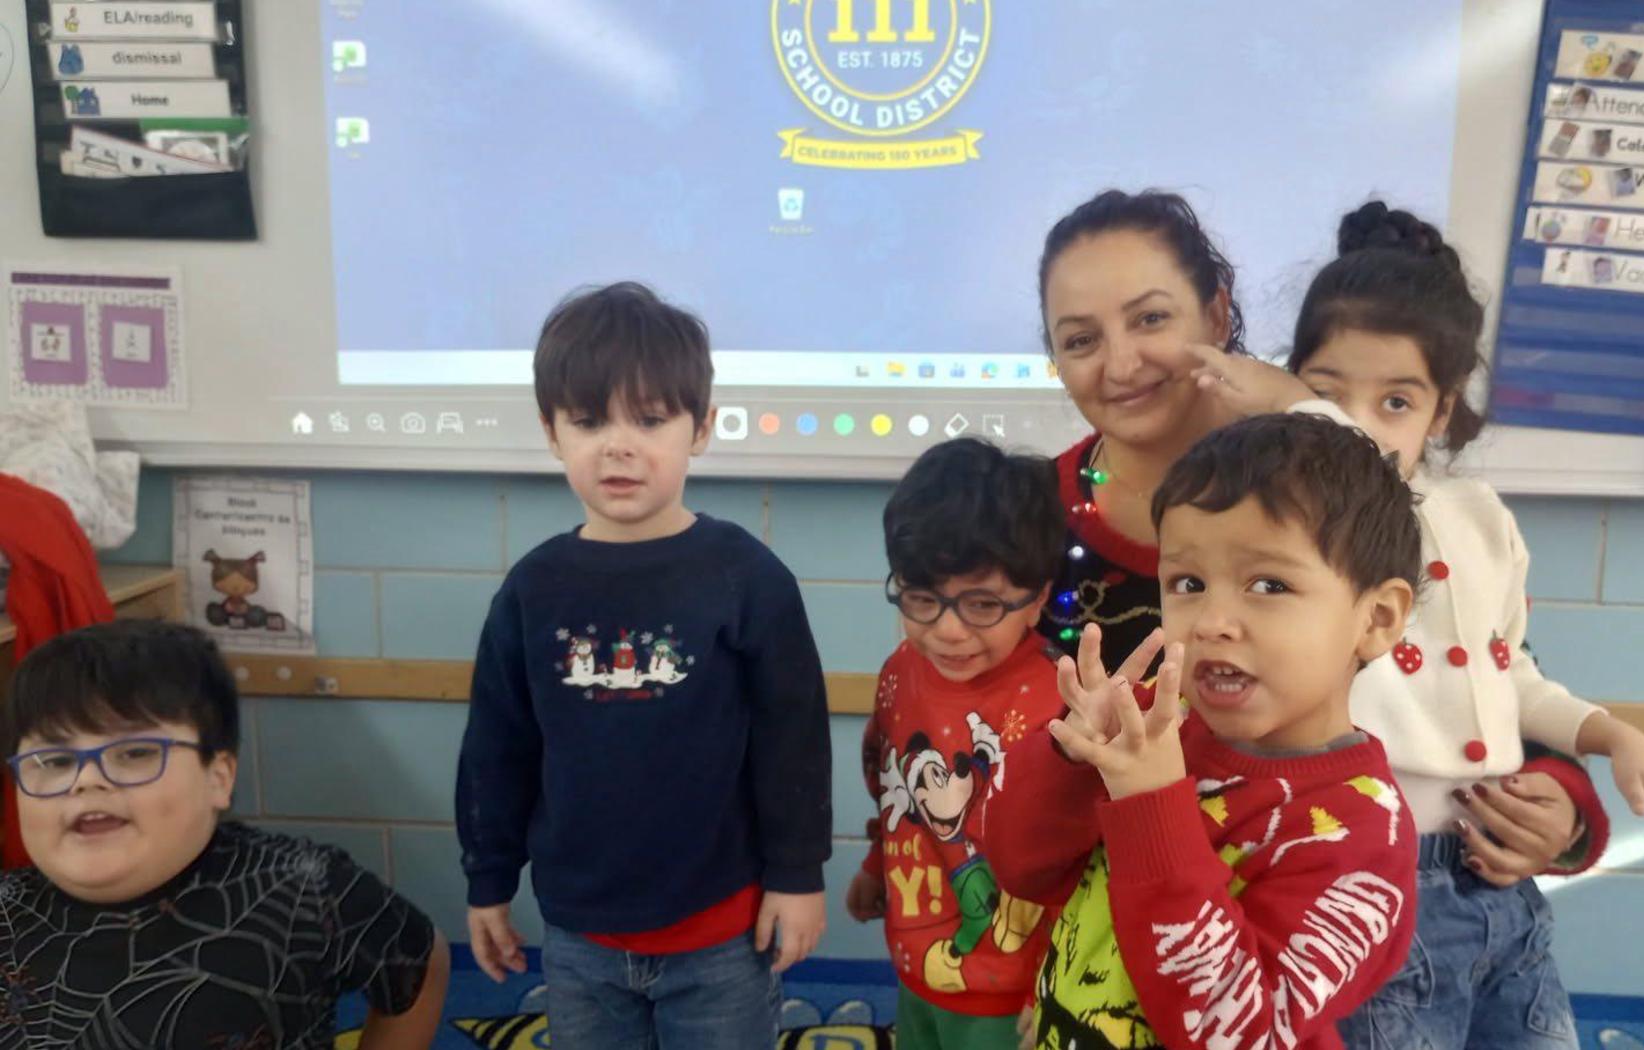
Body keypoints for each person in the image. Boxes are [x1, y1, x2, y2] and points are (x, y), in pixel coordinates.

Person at [1034, 187, 1608, 888]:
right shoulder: (1021, 519)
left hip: (1310, 910)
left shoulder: (1345, 496)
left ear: (1216, 315)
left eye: (1152, 318)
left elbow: (1487, 663)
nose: (1122, 364)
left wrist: (1560, 803)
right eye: (1080, 339)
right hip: (1076, 924)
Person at [1286, 201, 1644, 1048]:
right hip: (1371, 881)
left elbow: (1508, 674)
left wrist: (1609, 734)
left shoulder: (1479, 517)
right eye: (1329, 399)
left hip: (1498, 887)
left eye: (1395, 402)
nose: (1360, 428)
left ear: (1439, 414)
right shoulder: (1286, 531)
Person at [456, 281, 831, 1048]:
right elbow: (498, 749)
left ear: (700, 429)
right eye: (588, 420)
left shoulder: (746, 576)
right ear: (552, 432)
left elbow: (793, 737)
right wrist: (488, 881)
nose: (618, 444)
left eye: (650, 419)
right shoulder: (532, 589)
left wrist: (799, 874)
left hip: (723, 936)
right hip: (580, 939)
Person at [988, 413, 1422, 1049]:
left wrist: (1149, 806)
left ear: (1377, 619)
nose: (1213, 620)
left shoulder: (1362, 832)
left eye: (1269, 584)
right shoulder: (1153, 726)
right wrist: (1068, 757)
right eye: (1187, 583)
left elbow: (1234, 1033)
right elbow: (1020, 869)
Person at [0, 619, 447, 1047]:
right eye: (54, 762)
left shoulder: (303, 888)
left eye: (134, 753)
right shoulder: (9, 915)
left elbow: (422, 961)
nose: (86, 781)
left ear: (219, 777)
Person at [847, 437, 1067, 1049]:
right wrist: (874, 863)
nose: (947, 629)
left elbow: (1084, 866)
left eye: (982, 604)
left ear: (1039, 595)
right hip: (919, 972)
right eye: (922, 599)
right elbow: (892, 789)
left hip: (1014, 998)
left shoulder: (1062, 701)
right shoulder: (898, 671)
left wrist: (1054, 984)